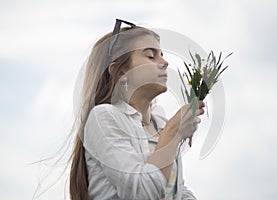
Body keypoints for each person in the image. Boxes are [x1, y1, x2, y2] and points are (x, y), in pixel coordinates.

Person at [69, 19, 205, 200]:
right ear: (120, 72)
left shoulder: (161, 126)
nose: (164, 62)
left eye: (162, 54)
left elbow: (177, 191)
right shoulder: (104, 117)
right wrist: (172, 134)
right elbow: (142, 193)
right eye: (151, 56)